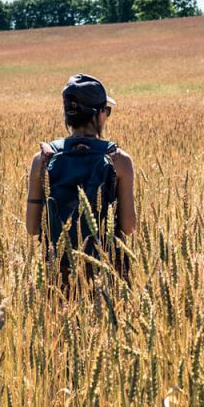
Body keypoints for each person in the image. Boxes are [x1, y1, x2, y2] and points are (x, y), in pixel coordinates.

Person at [26, 74, 136, 285]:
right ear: (98, 114)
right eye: (107, 111)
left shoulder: (42, 158)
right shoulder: (119, 160)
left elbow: (32, 227)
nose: (107, 116)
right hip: (108, 275)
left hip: (59, 276)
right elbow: (128, 227)